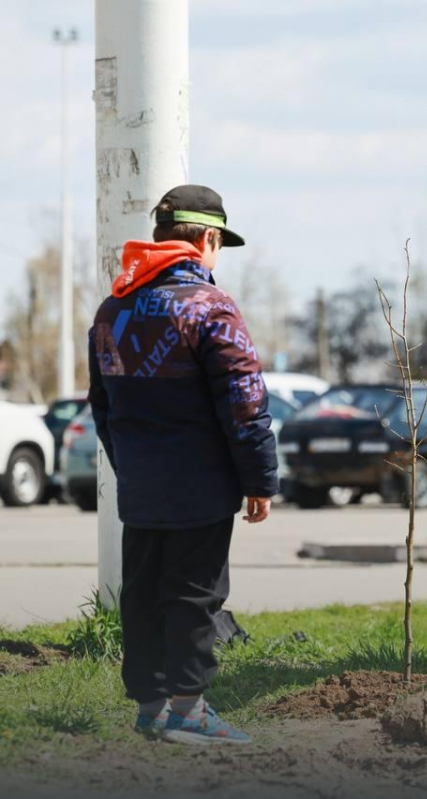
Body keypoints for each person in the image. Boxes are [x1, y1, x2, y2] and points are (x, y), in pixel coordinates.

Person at [88, 185, 278, 744]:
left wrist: (130, 467)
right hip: (202, 483)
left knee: (143, 592)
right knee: (197, 593)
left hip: (142, 483)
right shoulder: (210, 307)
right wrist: (259, 478)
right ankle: (187, 712)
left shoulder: (113, 308)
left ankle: (150, 708)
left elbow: (102, 407)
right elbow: (245, 401)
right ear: (209, 239)